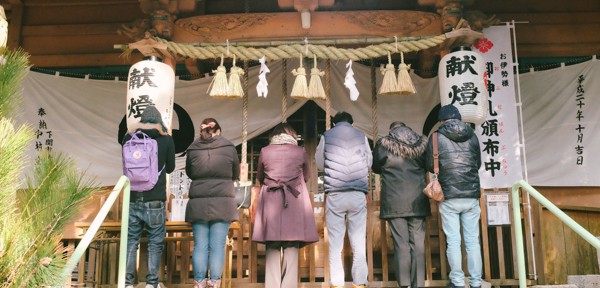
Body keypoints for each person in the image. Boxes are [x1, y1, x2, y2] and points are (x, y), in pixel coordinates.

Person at [251, 123, 319, 288]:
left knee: (272, 245)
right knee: (291, 245)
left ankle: (272, 285)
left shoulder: (265, 151)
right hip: (293, 202)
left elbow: (260, 176)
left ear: (273, 136)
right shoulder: (299, 151)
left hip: (271, 200)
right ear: (292, 135)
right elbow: (307, 176)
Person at [425, 105, 482, 288]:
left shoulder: (436, 137)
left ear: (441, 121)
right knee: (473, 241)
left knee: (454, 241)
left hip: (449, 196)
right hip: (471, 195)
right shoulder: (472, 136)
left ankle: (457, 282)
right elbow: (477, 163)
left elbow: (428, 164)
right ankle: (475, 282)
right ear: (459, 119)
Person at [315, 111, 372, 288]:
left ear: (334, 123)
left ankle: (337, 283)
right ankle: (360, 282)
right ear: (351, 122)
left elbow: (318, 162)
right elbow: (369, 162)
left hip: (335, 194)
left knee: (335, 243)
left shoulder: (327, 136)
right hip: (357, 193)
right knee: (358, 241)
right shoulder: (361, 136)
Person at [372, 121, 431, 288]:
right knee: (418, 244)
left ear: (392, 131)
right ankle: (418, 283)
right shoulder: (421, 144)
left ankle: (404, 284)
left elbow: (376, 167)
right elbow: (428, 166)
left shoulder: (383, 145)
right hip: (418, 201)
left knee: (401, 245)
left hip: (394, 201)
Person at [123, 105, 176, 288]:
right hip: (155, 198)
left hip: (133, 197)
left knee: (131, 240)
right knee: (155, 242)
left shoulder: (128, 137)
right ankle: (151, 284)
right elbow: (170, 168)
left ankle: (128, 283)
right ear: (158, 121)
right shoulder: (166, 139)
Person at [185, 118, 240, 288]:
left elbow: (190, 172)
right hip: (223, 203)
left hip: (199, 203)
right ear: (218, 131)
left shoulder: (193, 148)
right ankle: (214, 282)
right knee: (217, 245)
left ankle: (199, 282)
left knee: (200, 245)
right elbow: (235, 172)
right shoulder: (228, 147)